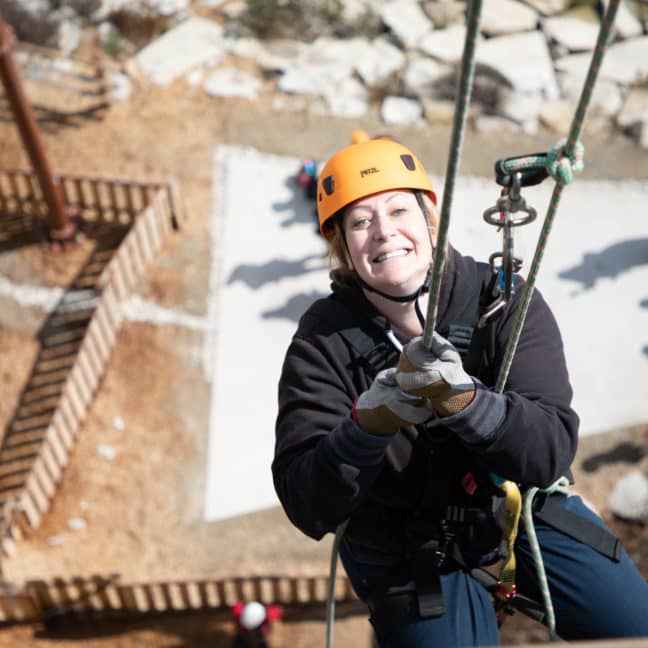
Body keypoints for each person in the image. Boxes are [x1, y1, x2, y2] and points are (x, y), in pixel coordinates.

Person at [272, 133, 648, 647]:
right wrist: (366, 427)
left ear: (431, 219)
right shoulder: (324, 340)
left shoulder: (501, 302)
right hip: (406, 546)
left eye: (399, 211)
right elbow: (306, 501)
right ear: (341, 246)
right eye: (360, 222)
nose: (383, 232)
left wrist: (469, 404)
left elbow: (551, 449)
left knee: (636, 627)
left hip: (518, 508)